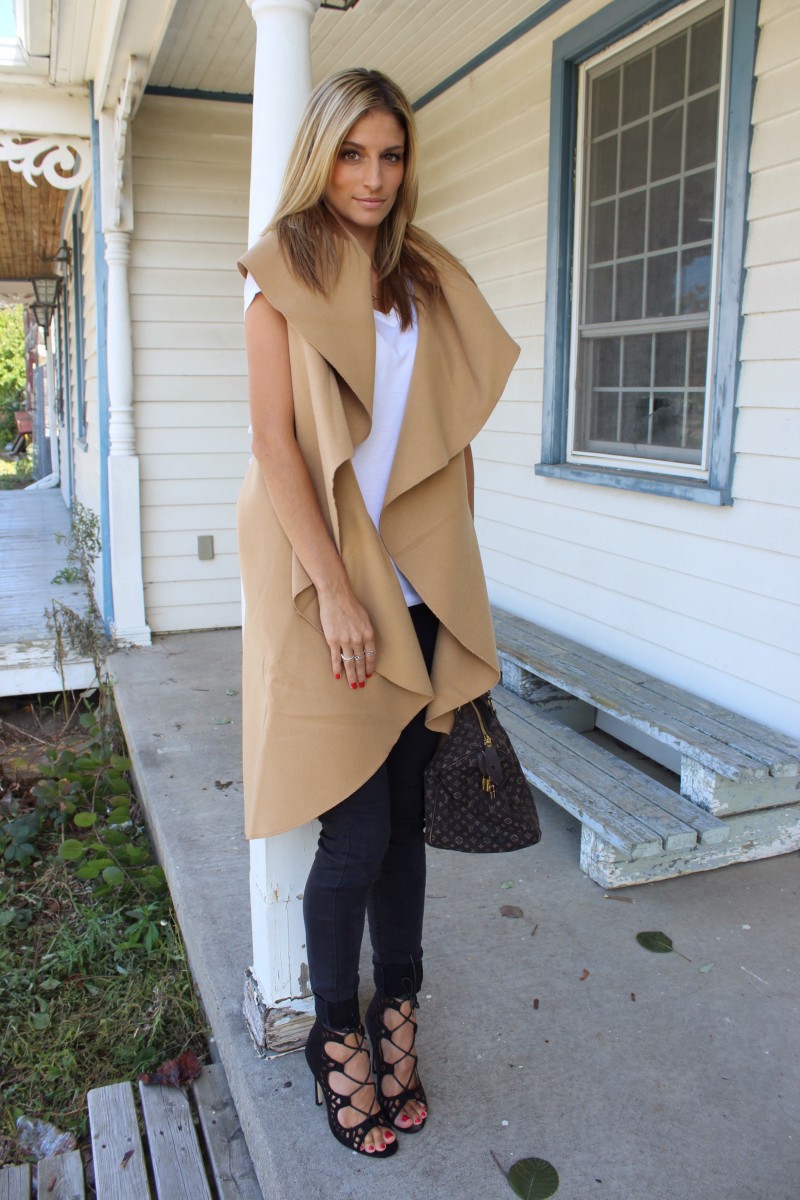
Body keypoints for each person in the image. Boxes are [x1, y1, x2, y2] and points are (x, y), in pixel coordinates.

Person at [238, 68, 519, 1159]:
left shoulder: (420, 279)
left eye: (390, 155)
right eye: (352, 153)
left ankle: (398, 1018)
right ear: (321, 157)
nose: (372, 176)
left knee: (405, 825)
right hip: (332, 586)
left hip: (418, 582)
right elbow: (275, 447)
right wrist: (337, 591)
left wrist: (449, 577)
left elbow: (446, 439)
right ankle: (337, 1039)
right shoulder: (284, 278)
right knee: (352, 834)